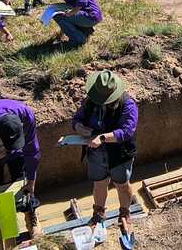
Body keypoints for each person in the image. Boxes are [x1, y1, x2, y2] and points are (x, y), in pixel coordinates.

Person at [73, 70, 138, 242]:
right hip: (95, 154)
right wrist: (79, 127)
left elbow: (127, 131)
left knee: (122, 185)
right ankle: (99, 214)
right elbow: (77, 118)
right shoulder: (89, 102)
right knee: (99, 184)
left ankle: (125, 214)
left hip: (118, 154)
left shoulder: (127, 104)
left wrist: (102, 138)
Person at [37, 0, 103, 46]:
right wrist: (62, 31)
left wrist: (72, 12)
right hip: (89, 14)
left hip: (91, 16)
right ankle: (86, 31)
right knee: (55, 8)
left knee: (58, 15)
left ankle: (79, 40)